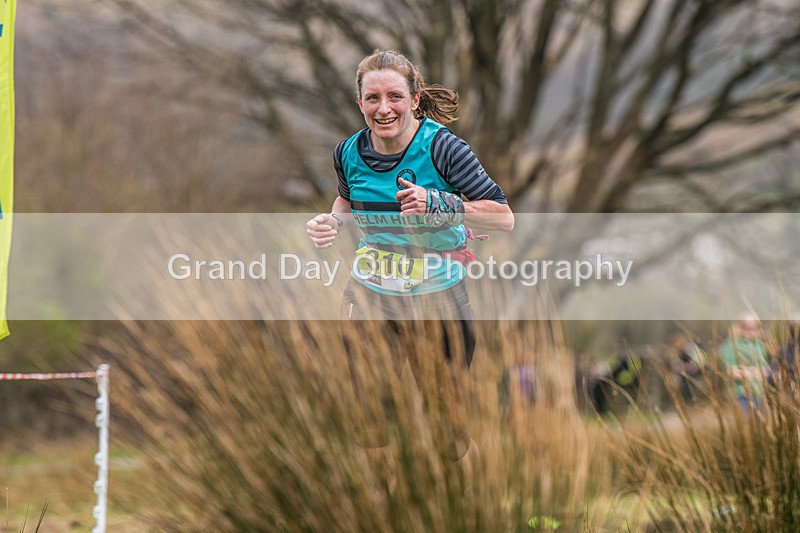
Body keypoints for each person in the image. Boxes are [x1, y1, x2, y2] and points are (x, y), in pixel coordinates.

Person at [306, 49, 513, 468]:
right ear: (360, 102)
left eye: (395, 97)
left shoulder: (444, 149)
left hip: (439, 299)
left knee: (446, 434)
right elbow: (346, 202)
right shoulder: (347, 152)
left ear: (415, 99)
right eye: (372, 98)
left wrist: (440, 204)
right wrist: (331, 223)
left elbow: (504, 218)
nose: (384, 109)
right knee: (368, 423)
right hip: (370, 296)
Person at [719, 314, 769, 414]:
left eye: (754, 326)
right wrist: (756, 373)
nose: (750, 329)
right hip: (740, 395)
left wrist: (749, 372)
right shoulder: (730, 345)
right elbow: (731, 371)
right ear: (739, 326)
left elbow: (766, 371)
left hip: (760, 394)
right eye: (747, 326)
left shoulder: (760, 346)